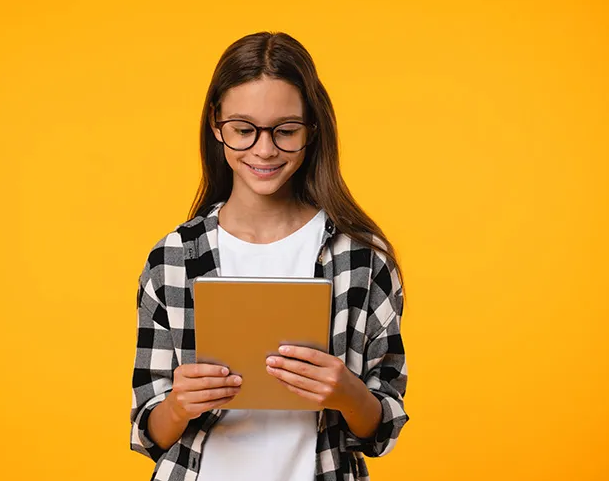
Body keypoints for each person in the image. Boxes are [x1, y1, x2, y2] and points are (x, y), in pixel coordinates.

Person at [129, 31, 409, 481]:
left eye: (285, 131)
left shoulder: (361, 258)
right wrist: (179, 404)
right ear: (216, 126)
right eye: (243, 130)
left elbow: (383, 427)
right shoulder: (173, 258)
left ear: (312, 131)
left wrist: (348, 393)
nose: (264, 149)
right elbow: (149, 432)